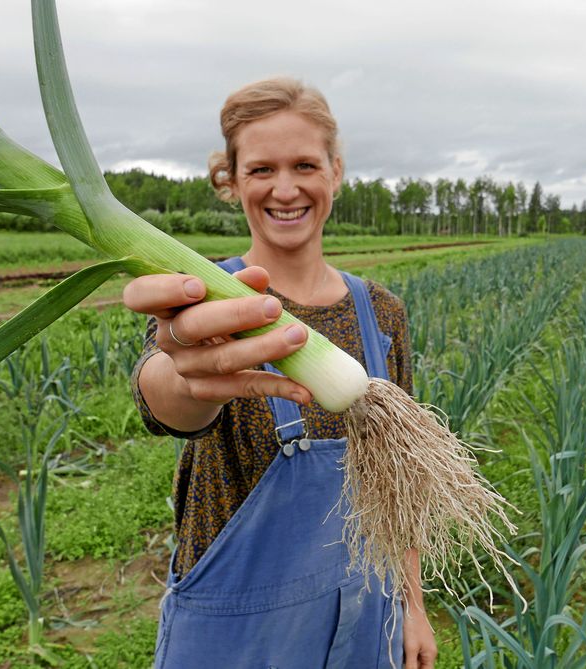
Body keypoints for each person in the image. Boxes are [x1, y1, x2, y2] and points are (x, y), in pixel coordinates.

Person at [123, 78, 438, 669]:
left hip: (368, 608)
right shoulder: (209, 299)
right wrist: (184, 375)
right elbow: (168, 393)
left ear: (335, 172)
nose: (285, 188)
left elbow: (402, 482)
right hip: (238, 626)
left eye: (304, 165)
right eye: (262, 169)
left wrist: (412, 606)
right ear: (231, 181)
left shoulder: (382, 311)